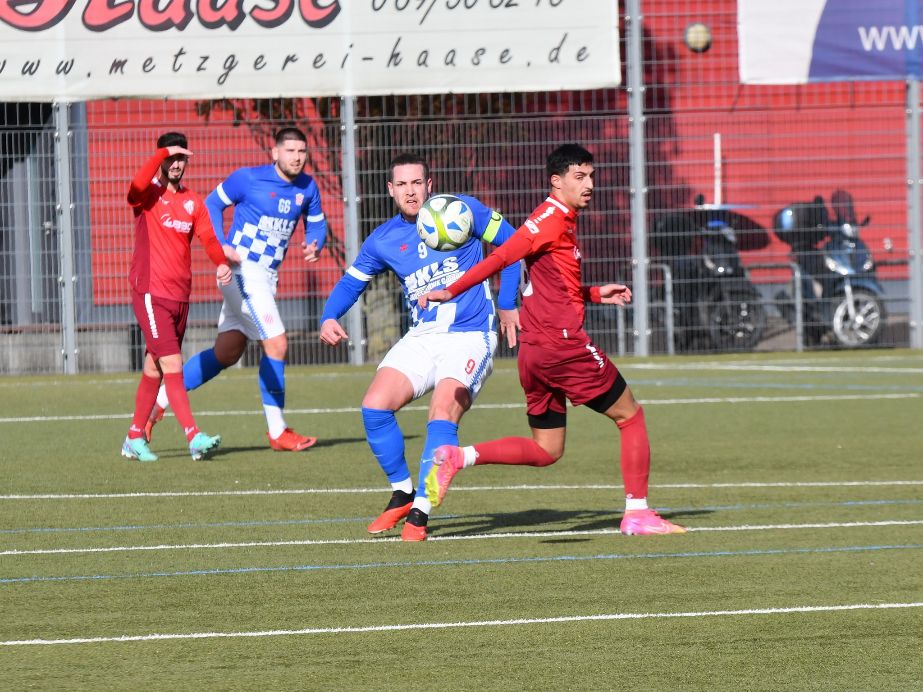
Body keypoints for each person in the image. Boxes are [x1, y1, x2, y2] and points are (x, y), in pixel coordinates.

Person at [419, 143, 686, 536]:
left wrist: (594, 294)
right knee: (631, 416)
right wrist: (451, 290)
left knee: (547, 449)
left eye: (591, 176)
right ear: (556, 181)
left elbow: (554, 286)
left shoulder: (559, 220)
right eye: (579, 177)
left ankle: (458, 457)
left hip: (534, 353)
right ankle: (638, 513)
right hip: (563, 347)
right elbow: (501, 257)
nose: (589, 184)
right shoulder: (548, 220)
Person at [319, 152, 522, 541]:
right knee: (374, 406)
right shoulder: (383, 240)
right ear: (390, 190)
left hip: (470, 334)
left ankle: (421, 511)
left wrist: (508, 302)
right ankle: (402, 492)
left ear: (430, 186)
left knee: (441, 411)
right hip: (423, 335)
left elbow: (513, 246)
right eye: (402, 185)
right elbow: (351, 283)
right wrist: (329, 316)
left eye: (417, 183)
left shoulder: (463, 211)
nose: (410, 192)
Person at [145, 127, 329, 452]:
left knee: (227, 352)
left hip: (266, 277)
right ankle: (278, 432)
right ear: (275, 153)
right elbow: (211, 205)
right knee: (276, 343)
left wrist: (316, 241)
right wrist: (221, 245)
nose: (297, 157)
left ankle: (155, 407)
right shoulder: (248, 178)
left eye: (302, 151)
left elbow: (316, 222)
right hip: (242, 269)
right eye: (290, 151)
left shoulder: (307, 187)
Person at [121, 132, 238, 462]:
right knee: (173, 364)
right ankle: (193, 436)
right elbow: (134, 187)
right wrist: (160, 154)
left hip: (180, 297)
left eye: (181, 158)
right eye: (170, 158)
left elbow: (209, 239)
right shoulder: (148, 195)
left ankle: (134, 437)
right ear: (161, 159)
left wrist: (220, 263)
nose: (176, 164)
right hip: (151, 293)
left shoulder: (193, 202)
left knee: (154, 368)